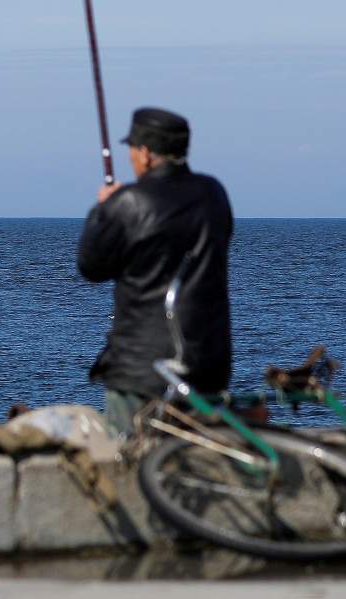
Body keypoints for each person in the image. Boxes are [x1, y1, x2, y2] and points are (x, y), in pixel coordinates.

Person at [77, 107, 233, 436]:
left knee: (132, 460)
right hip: (207, 364)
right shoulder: (214, 195)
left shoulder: (129, 203)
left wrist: (103, 210)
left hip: (141, 369)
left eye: (132, 150)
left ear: (145, 154)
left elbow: (91, 266)